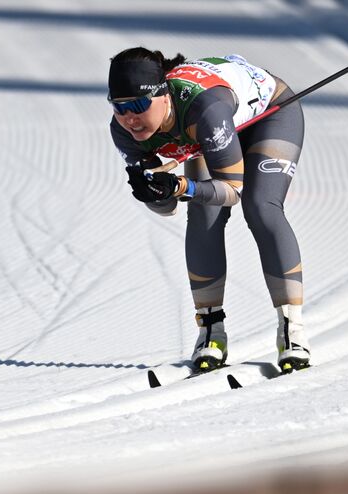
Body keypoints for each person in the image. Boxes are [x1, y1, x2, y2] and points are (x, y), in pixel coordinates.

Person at [107, 47, 310, 372]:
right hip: (204, 135)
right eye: (119, 108)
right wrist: (154, 192)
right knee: (203, 214)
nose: (130, 118)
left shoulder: (204, 111)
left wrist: (181, 186)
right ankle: (211, 331)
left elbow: (232, 191)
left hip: (268, 116)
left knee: (260, 206)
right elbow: (167, 207)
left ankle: (292, 331)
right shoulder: (123, 131)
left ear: (162, 97)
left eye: (138, 106)